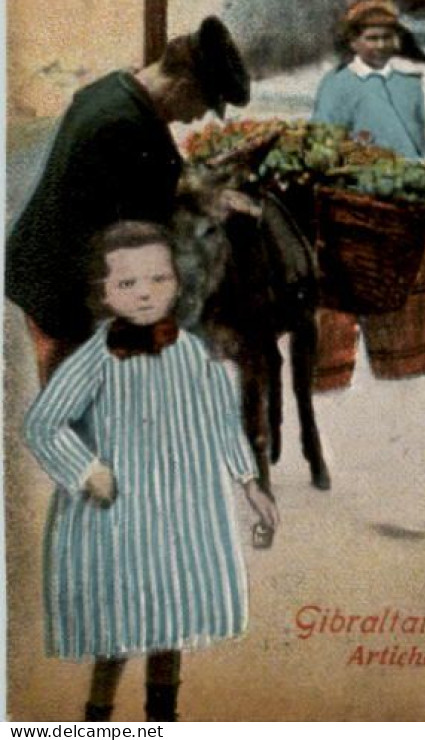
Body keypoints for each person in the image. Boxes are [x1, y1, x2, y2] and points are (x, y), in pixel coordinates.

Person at [24, 221, 279, 722]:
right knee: (118, 625)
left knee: (174, 618)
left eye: (157, 280)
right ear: (104, 293)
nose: (144, 293)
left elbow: (223, 419)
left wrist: (251, 485)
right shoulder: (95, 358)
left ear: (177, 284)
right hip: (119, 517)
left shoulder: (191, 352)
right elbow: (42, 424)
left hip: (183, 515)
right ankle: (98, 719)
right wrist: (86, 469)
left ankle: (164, 720)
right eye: (127, 284)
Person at [7, 16, 251, 386]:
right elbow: (147, 223)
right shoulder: (127, 125)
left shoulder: (115, 90)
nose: (198, 116)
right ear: (184, 83)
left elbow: (147, 174)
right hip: (61, 292)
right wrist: (212, 207)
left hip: (40, 266)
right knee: (67, 398)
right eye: (203, 103)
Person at [311, 0, 425, 382]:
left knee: (406, 276)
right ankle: (335, 366)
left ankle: (401, 359)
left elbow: (420, 138)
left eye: (387, 38)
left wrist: (418, 173)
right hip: (358, 196)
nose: (380, 45)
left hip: (402, 195)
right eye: (372, 38)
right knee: (350, 278)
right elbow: (325, 137)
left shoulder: (408, 84)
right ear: (354, 42)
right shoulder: (337, 85)